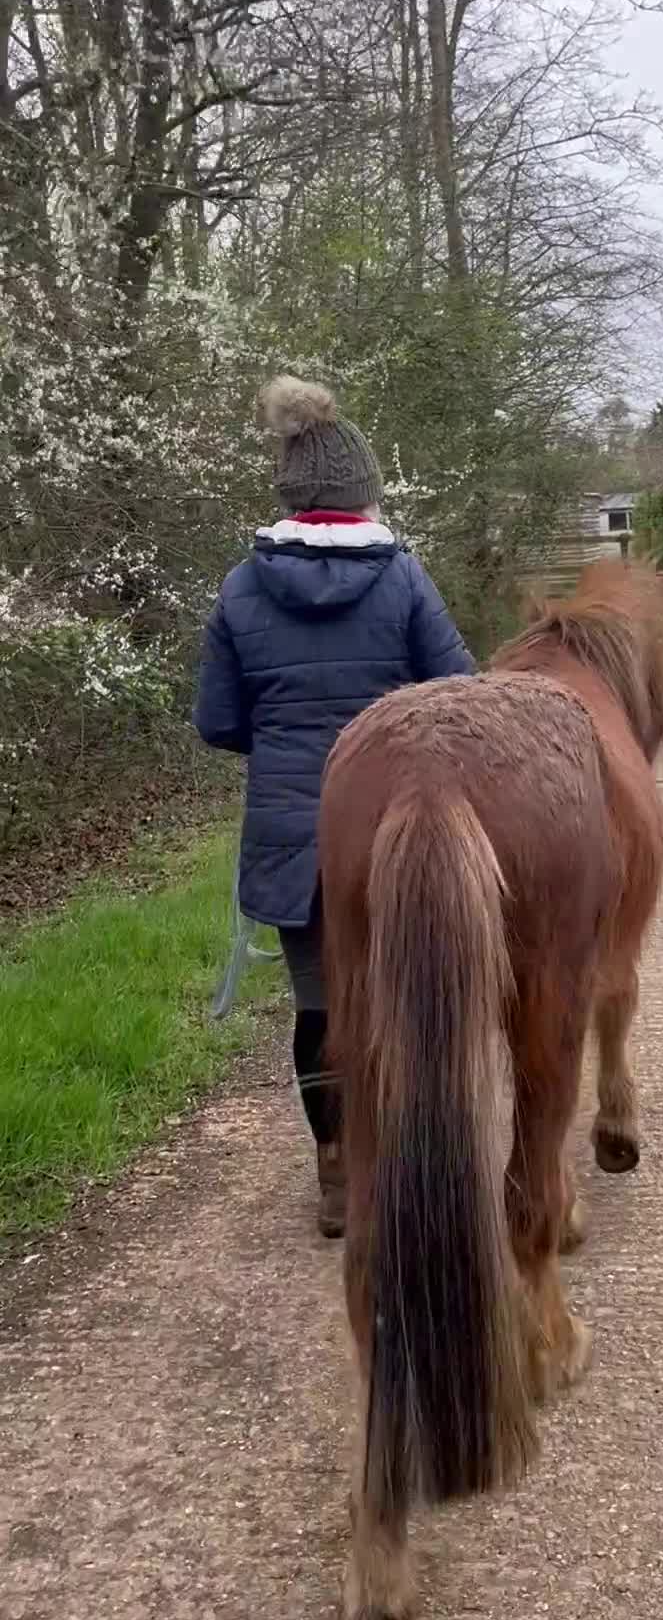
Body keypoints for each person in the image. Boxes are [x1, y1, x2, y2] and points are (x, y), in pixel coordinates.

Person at [194, 376, 475, 1237]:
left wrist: (285, 746)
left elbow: (217, 722)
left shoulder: (242, 588)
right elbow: (460, 696)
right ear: (364, 494)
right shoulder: (403, 579)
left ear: (289, 495)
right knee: (405, 998)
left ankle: (335, 1173)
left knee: (320, 1004)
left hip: (296, 836)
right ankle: (409, 1162)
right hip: (399, 831)